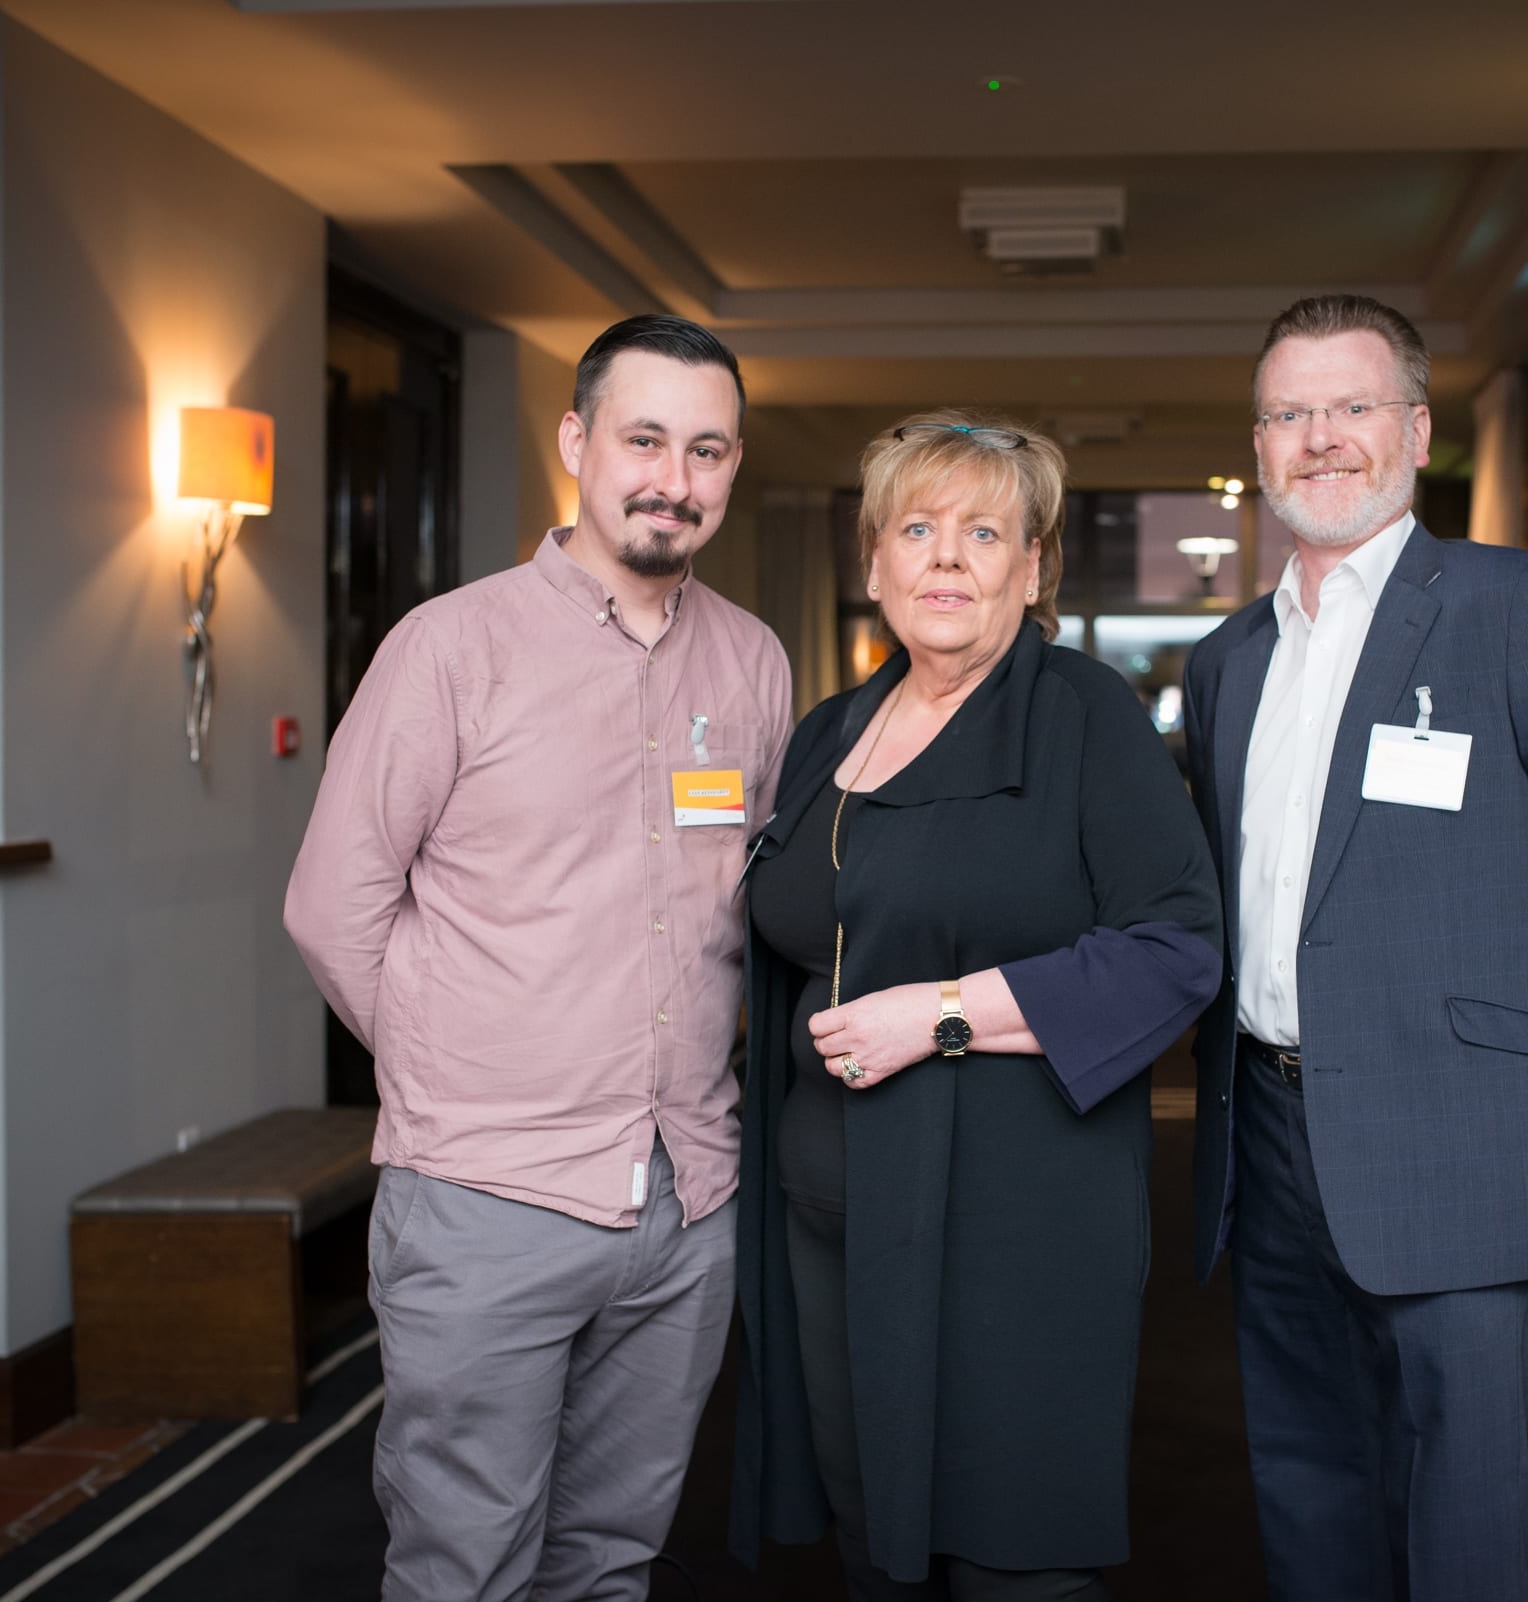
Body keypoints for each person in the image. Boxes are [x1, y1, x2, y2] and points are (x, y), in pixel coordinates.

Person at [1181, 295, 1528, 1602]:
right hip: (1274, 1138)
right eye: (1291, 413)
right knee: (1307, 1485)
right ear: (1258, 443)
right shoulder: (1228, 660)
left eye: (1352, 406)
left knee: (1462, 1514)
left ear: (1414, 427)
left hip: (1465, 1144)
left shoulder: (1516, 606)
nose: (1323, 438)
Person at [284, 314, 791, 1602]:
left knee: (610, 1563)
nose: (674, 478)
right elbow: (334, 906)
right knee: (466, 1569)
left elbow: (754, 898)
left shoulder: (753, 661)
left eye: (708, 449)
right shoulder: (451, 648)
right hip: (485, 1200)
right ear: (577, 442)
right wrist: (464, 1071)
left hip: (685, 1201)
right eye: (644, 439)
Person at [731, 412, 1222, 1600]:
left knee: (1012, 1558)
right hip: (831, 1220)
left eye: (984, 532)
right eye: (917, 528)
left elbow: (1177, 951)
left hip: (1014, 1226)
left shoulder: (1083, 717)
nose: (947, 558)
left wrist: (939, 1014)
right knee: (874, 1545)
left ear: (1033, 567)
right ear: (874, 564)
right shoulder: (826, 734)